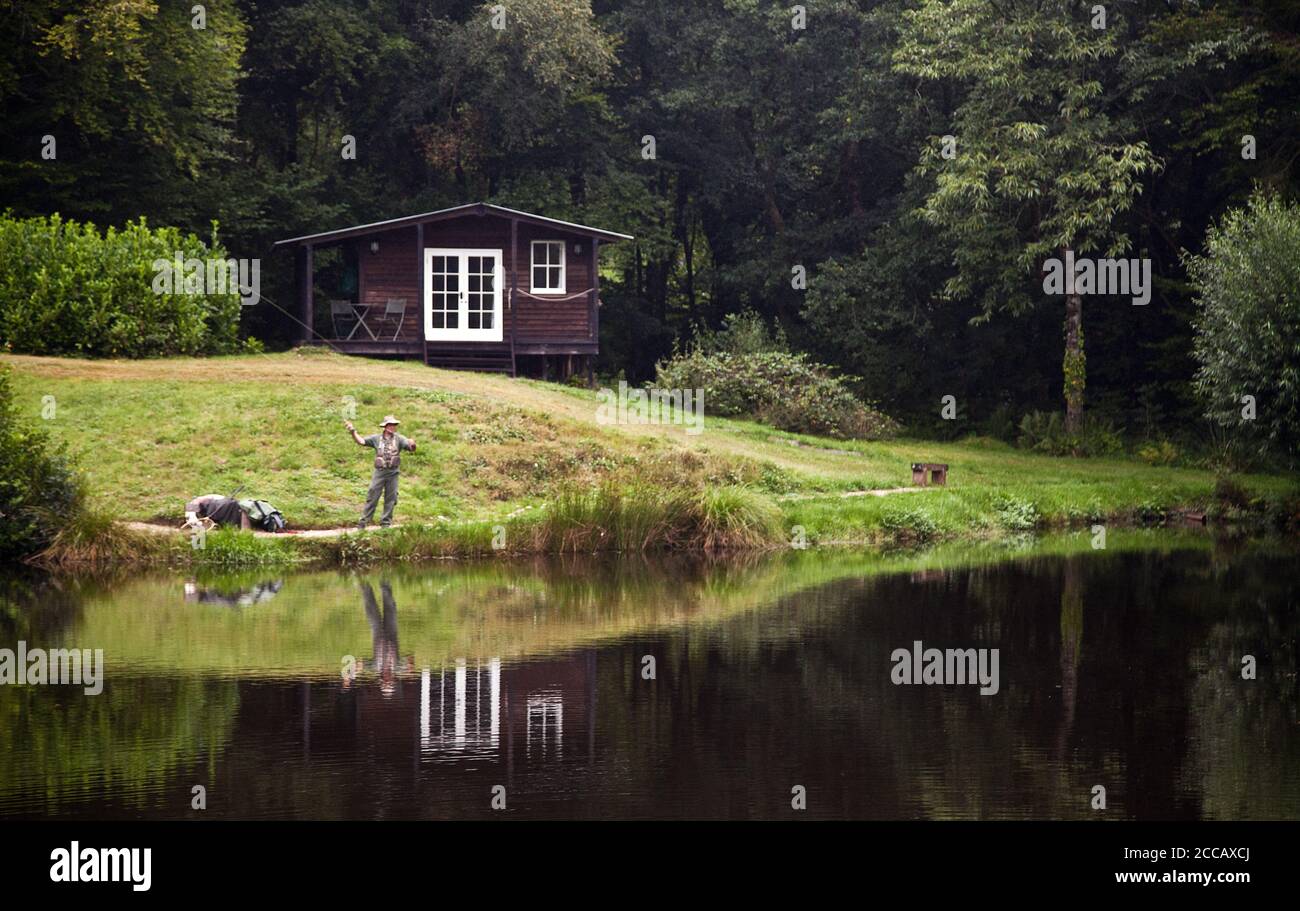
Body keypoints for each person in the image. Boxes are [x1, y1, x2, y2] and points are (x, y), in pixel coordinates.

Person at [347, 415, 416, 529]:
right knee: (372, 495)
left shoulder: (399, 438)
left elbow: (410, 447)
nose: (392, 427)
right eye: (390, 425)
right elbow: (361, 441)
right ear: (385, 426)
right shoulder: (376, 438)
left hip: (393, 473)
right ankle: (363, 522)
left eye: (394, 425)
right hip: (379, 472)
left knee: (391, 498)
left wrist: (412, 444)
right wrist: (353, 432)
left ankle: (385, 524)